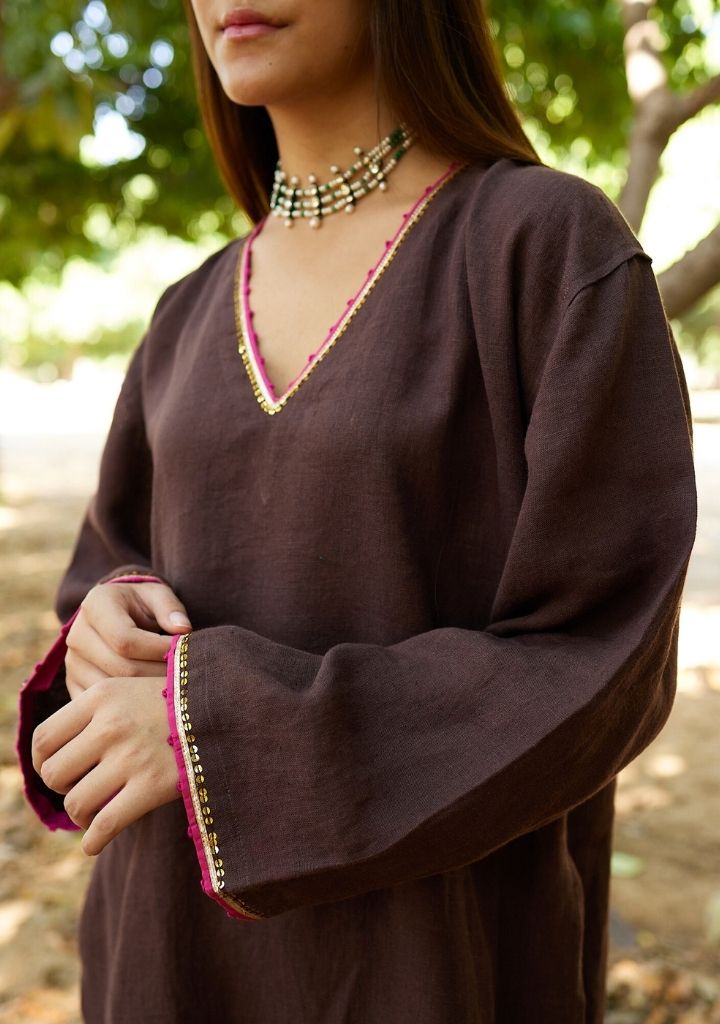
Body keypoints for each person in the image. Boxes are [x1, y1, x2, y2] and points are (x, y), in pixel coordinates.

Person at [16, 0, 697, 1021]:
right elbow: (106, 566)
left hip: (431, 963)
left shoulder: (543, 248)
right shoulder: (185, 312)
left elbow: (603, 654)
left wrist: (220, 733)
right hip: (167, 952)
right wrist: (107, 621)